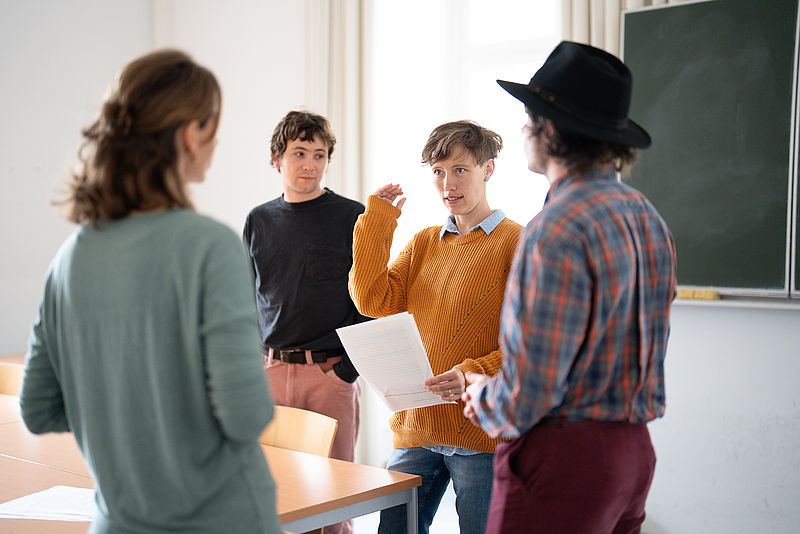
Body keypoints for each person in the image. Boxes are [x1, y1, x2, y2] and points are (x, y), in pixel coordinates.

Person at [19, 50, 281, 533]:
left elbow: (37, 411)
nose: (216, 141)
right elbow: (245, 416)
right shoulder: (210, 246)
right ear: (189, 135)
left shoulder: (68, 260)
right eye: (212, 127)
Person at [461, 41, 678, 534]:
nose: (522, 132)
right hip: (633, 455)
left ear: (550, 129)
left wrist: (481, 396)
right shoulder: (647, 218)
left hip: (563, 461)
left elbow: (527, 391)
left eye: (526, 119)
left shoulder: (555, 227)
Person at [348, 120, 523, 534]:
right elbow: (372, 300)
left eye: (460, 170)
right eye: (439, 172)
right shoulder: (426, 241)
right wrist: (377, 221)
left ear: (489, 169)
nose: (448, 183)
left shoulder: (517, 242)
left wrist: (470, 372)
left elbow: (527, 343)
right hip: (417, 428)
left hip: (481, 433)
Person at [242, 110, 366, 534]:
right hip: (270, 373)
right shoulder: (259, 220)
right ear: (278, 158)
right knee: (273, 495)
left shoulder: (353, 216)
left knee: (333, 499)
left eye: (319, 154)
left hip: (328, 376)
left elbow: (372, 301)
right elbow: (248, 299)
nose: (310, 165)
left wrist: (345, 371)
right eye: (299, 153)